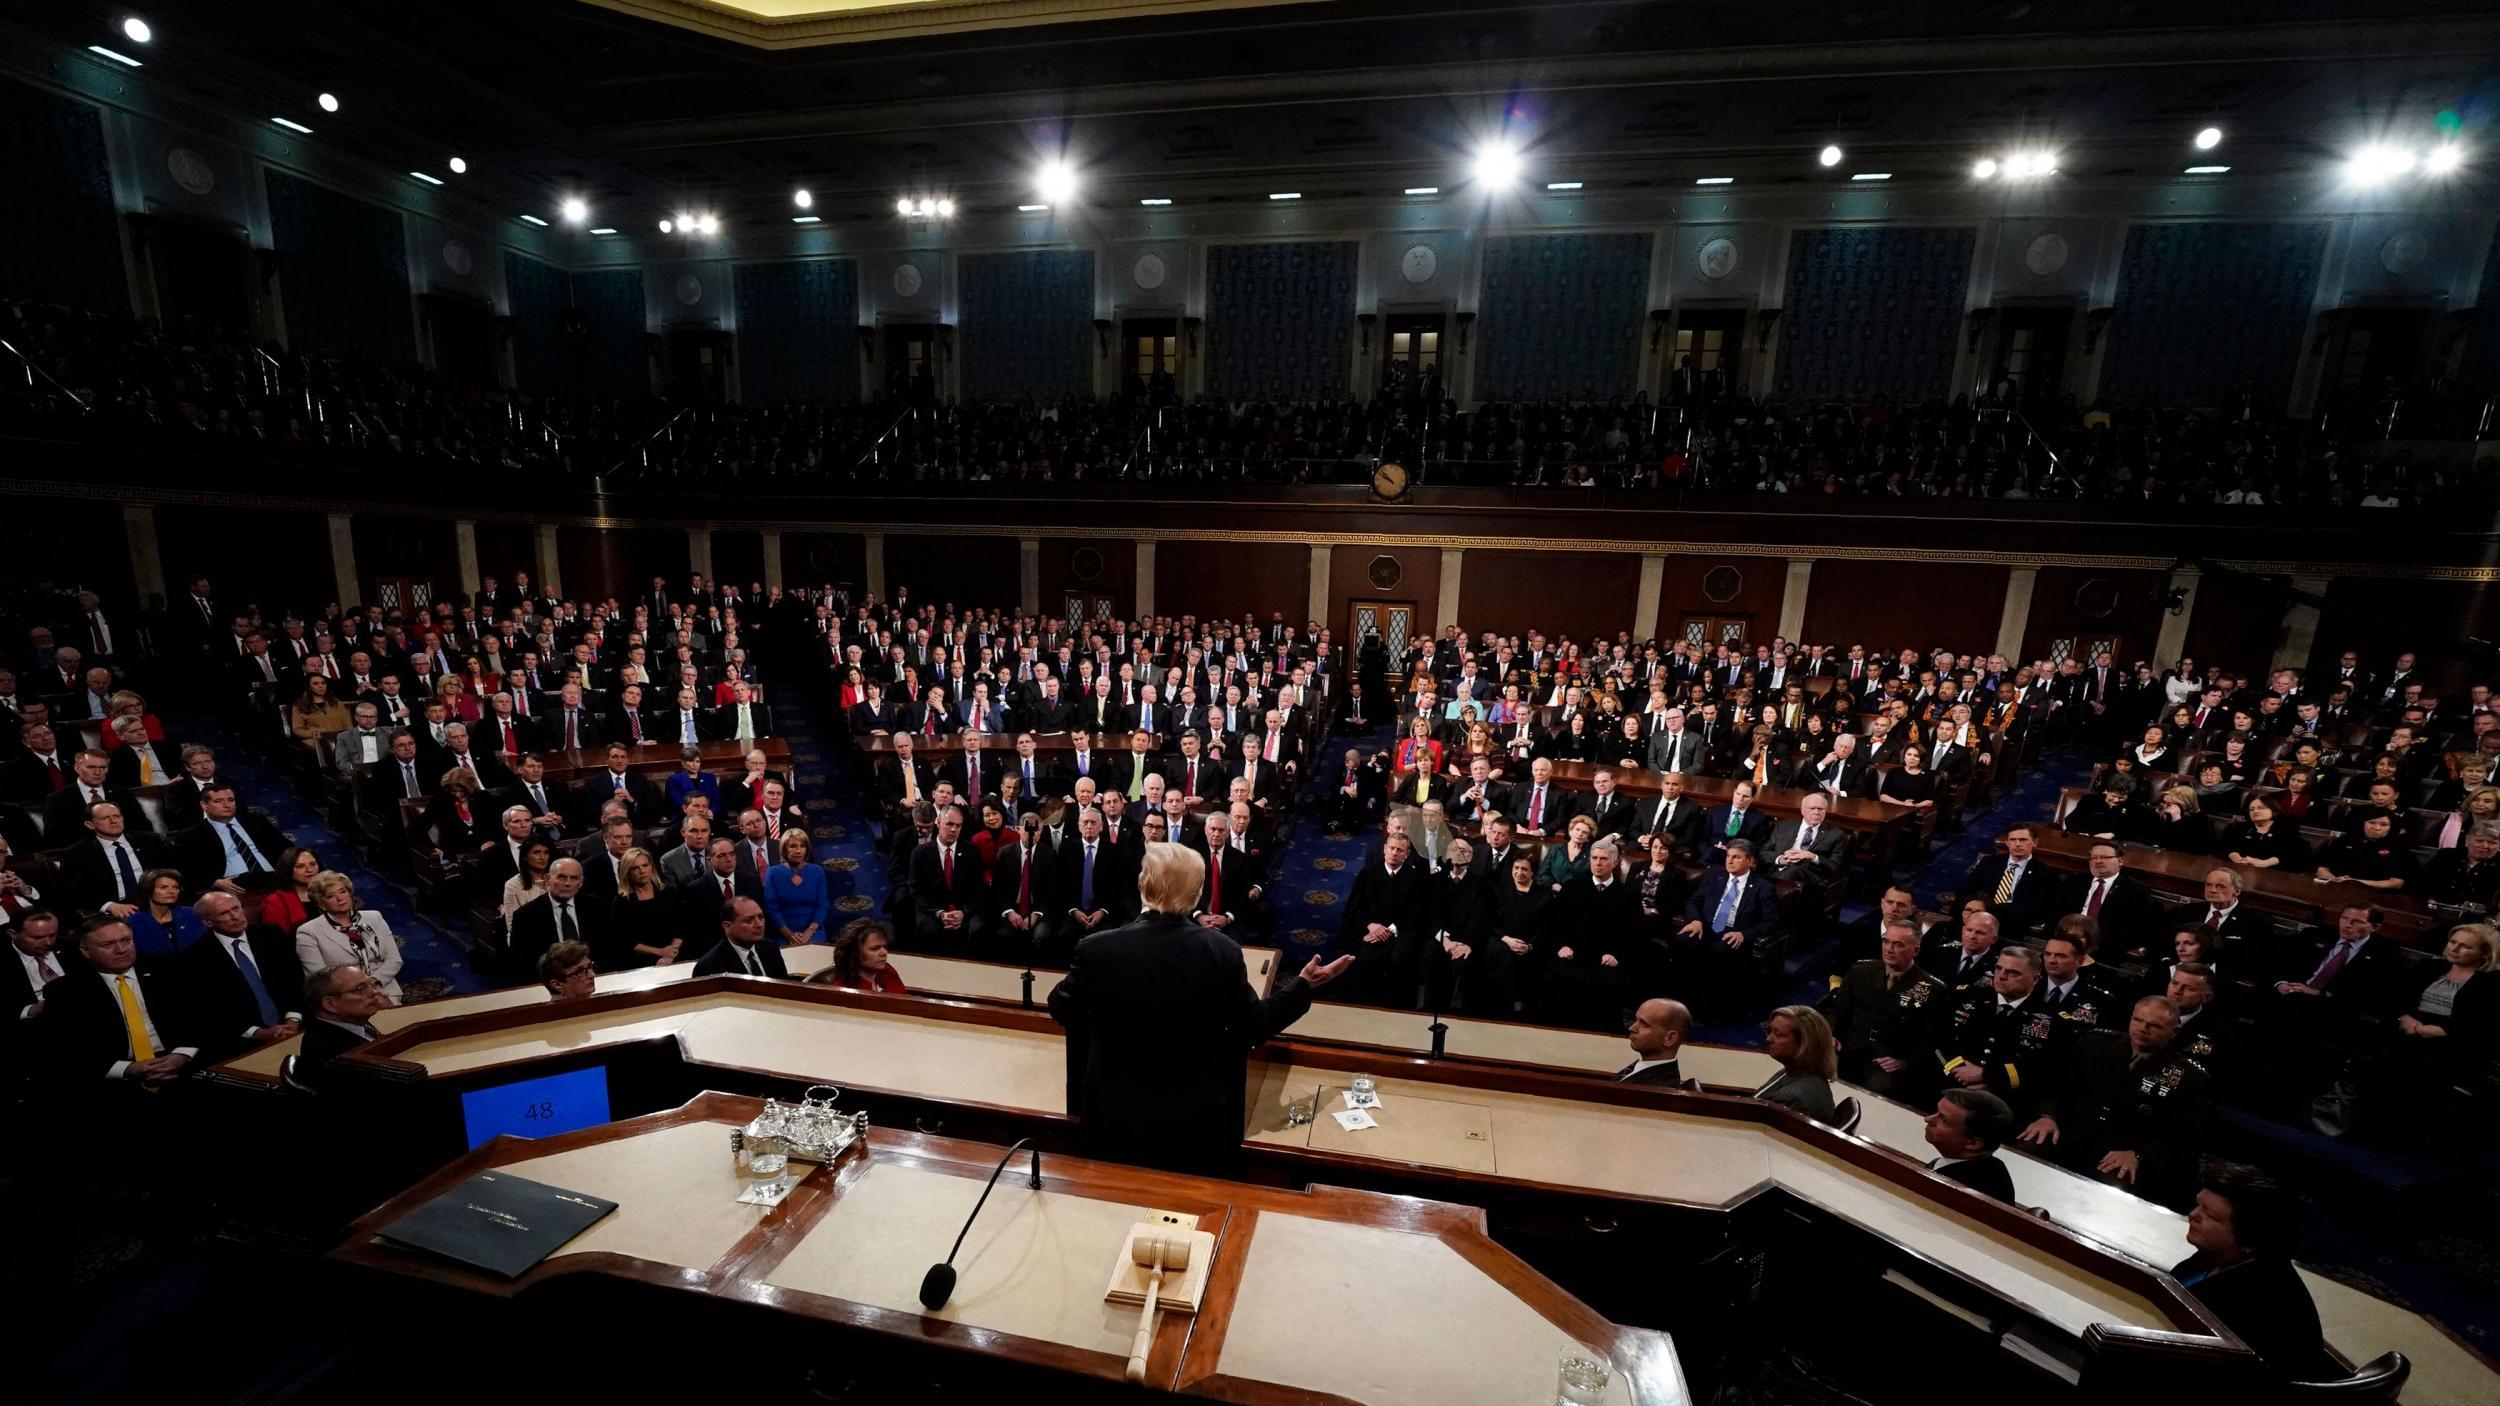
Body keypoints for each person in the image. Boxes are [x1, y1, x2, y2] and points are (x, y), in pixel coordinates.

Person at [1048, 841, 1352, 1174]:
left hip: (1114, 1117)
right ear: (1197, 895)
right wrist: (1303, 985)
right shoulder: (1221, 952)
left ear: (1140, 885)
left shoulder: (1096, 950)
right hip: (1192, 1123)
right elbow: (1253, 1025)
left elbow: (1061, 1008)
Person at [2020, 995, 2212, 1207]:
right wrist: (2047, 1116)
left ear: (2173, 1032)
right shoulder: (2095, 1043)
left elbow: (2182, 1135)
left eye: (2153, 1026)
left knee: (2114, 1185)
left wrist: (2138, 1155)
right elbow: (2059, 1085)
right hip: (2071, 1133)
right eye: (2138, 1020)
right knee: (2028, 1147)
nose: (2142, 1028)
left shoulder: (2189, 1077)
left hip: (2121, 1151)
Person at [2172, 1167, 2335, 1382]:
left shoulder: (2261, 1295)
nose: (2193, 1215)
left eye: (2209, 1214)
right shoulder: (2214, 1256)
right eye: (2198, 1204)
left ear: (2250, 1237)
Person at [39, 915, 200, 1095]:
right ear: (85, 951)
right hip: (113, 1078)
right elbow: (65, 1049)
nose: (121, 949)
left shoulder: (168, 969)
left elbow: (202, 1018)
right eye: (108, 945)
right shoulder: (63, 991)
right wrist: (126, 1069)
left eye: (126, 940)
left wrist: (183, 1054)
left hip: (180, 1063)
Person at [1823, 918, 1946, 1102]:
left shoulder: (1933, 989)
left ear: (1916, 950)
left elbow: (1933, 1040)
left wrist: (1905, 1062)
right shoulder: (1860, 971)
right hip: (1849, 1047)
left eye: (1898, 945)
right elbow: (1836, 1010)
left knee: (1877, 1090)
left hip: (1888, 1060)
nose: (1889, 949)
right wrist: (1830, 1035)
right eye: (1886, 941)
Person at [292, 871, 405, 1002]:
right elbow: (320, 979)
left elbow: (394, 959)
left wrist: (374, 982)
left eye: (342, 891)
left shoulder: (374, 917)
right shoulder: (308, 932)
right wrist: (360, 990)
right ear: (320, 904)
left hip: (383, 987)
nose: (340, 898)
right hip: (343, 997)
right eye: (331, 896)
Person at [296, 964, 390, 1091]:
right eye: (360, 989)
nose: (374, 992)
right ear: (330, 1004)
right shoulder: (333, 1053)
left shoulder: (353, 1021)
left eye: (371, 984)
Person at [1922, 1088, 2019, 1201]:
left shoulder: (1958, 1190)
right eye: (1936, 1112)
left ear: (1974, 1143)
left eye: (1944, 1120)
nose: (1927, 1119)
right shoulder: (1989, 1164)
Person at [1751, 1005, 1840, 1122]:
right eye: (1770, 1031)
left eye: (1779, 1034)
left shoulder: (1793, 1098)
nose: (1769, 1039)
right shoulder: (1794, 1072)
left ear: (1805, 1044)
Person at [691, 896, 789, 977]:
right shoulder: (709, 966)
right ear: (727, 926)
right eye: (749, 920)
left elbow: (784, 988)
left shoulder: (770, 948)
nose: (759, 924)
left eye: (760, 917)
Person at [762, 828, 828, 946]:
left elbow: (822, 905)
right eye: (792, 846)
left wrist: (809, 931)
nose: (798, 851)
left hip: (813, 931)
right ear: (784, 849)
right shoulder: (773, 872)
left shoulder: (817, 871)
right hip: (783, 932)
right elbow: (772, 909)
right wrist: (789, 934)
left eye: (802, 846)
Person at [812, 916, 909, 994]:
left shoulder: (888, 971)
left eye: (884, 947)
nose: (884, 953)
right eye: (875, 948)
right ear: (855, 953)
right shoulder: (842, 990)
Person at [1610, 998, 1692, 1086]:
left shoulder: (1658, 1089)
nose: (1632, 1028)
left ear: (1669, 1038)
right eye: (1636, 1020)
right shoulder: (1643, 1068)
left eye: (1644, 1024)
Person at [127, 868, 206, 956]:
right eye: (163, 887)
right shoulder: (134, 923)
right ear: (148, 890)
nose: (171, 891)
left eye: (175, 887)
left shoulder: (190, 914)